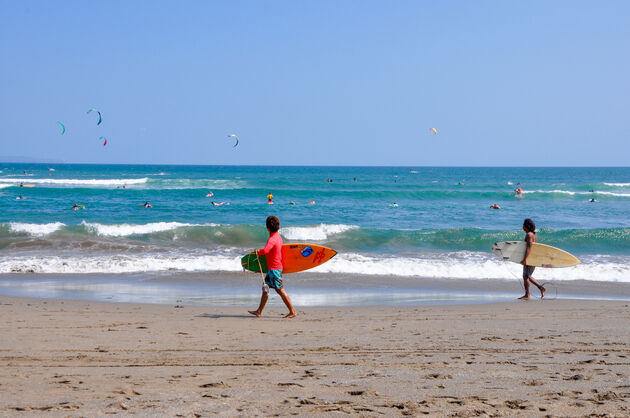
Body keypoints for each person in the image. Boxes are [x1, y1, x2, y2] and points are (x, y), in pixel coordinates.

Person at [249, 216, 297, 319]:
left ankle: (292, 311)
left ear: (267, 228)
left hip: (274, 269)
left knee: (280, 290)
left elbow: (266, 251)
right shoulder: (278, 237)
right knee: (265, 289)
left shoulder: (272, 239)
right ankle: (259, 311)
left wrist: (258, 252)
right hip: (272, 268)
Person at [519, 218, 545, 300]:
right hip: (532, 257)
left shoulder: (529, 235)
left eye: (523, 225)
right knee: (526, 276)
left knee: (527, 276)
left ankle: (531, 293)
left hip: (529, 258)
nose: (522, 227)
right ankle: (528, 294)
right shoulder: (533, 235)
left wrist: (525, 259)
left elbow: (529, 248)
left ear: (526, 226)